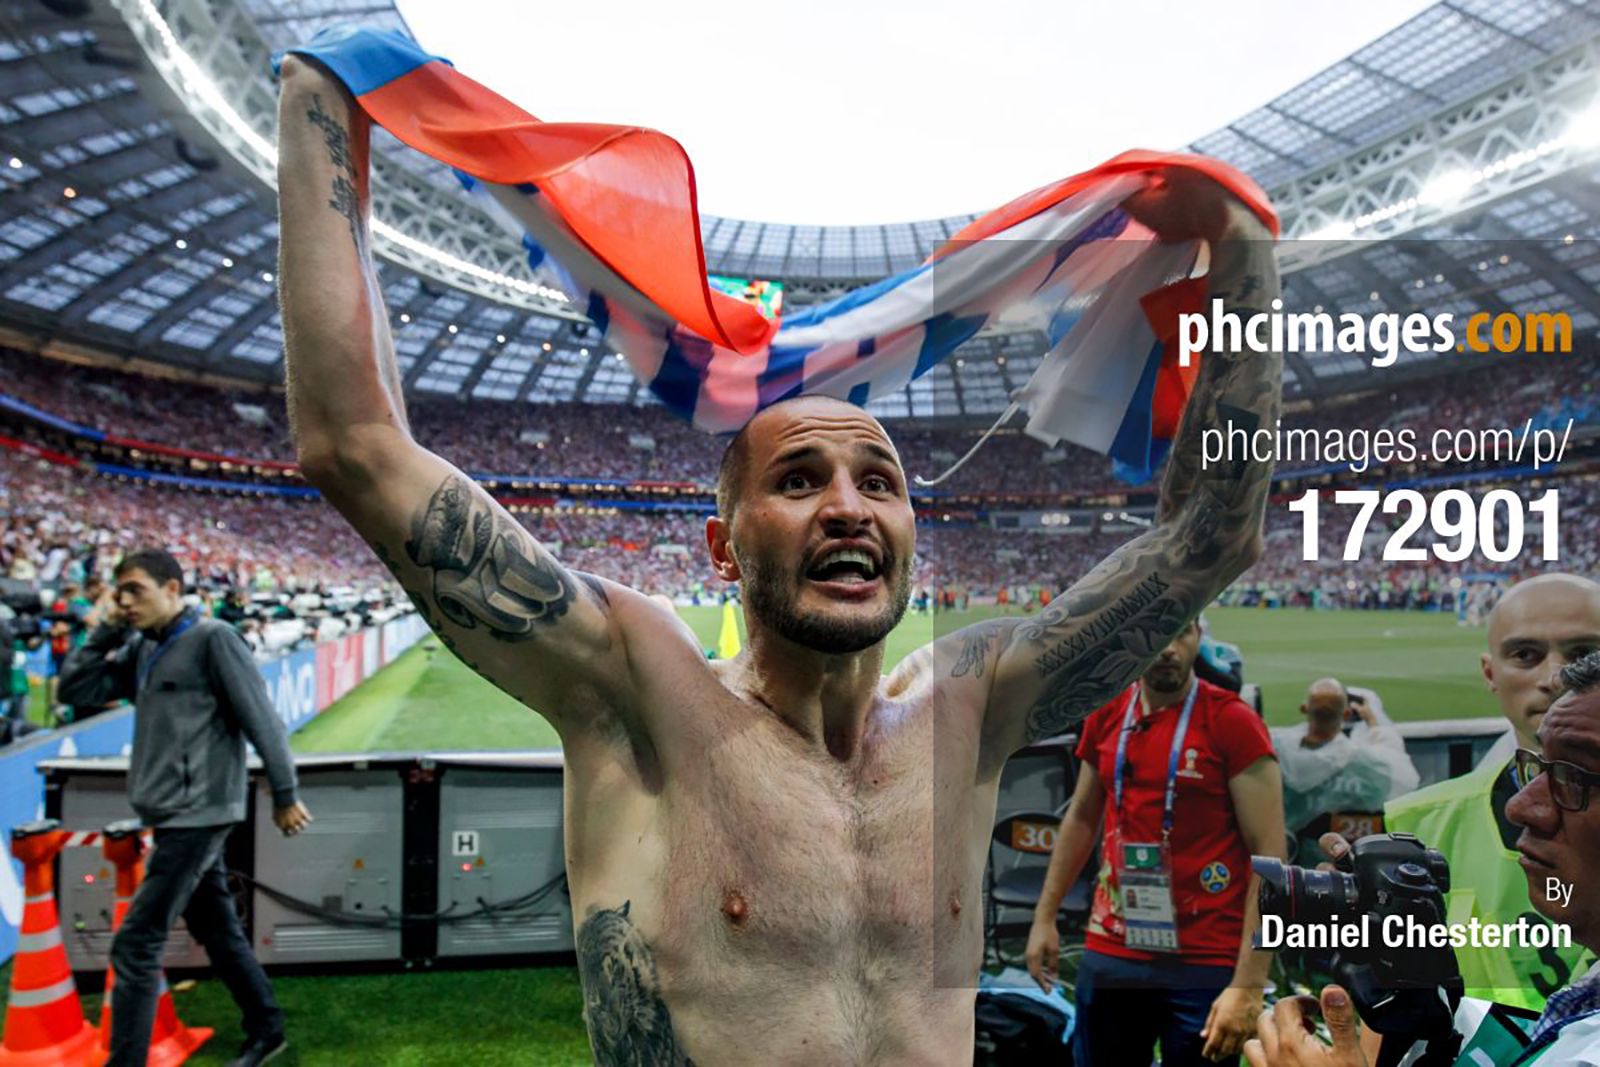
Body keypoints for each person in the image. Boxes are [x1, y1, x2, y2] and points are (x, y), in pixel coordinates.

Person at [276, 51, 1281, 1064]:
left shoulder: (967, 709)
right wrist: (324, 95)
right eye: (799, 481)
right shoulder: (640, 689)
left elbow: (1210, 537)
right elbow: (355, 446)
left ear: (909, 534)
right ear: (724, 547)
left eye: (879, 482)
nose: (847, 507)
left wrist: (1243, 250)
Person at [1244, 649, 1600, 1066]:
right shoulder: (1584, 997)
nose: (1519, 806)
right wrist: (1421, 999)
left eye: (1574, 777)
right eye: (1536, 768)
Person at [58, 548, 313, 1067]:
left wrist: (285, 794)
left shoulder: (214, 639)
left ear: (172, 588)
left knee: (136, 944)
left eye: (136, 591)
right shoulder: (142, 647)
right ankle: (267, 1029)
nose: (125, 602)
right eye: (119, 593)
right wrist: (106, 630)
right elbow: (75, 688)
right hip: (172, 811)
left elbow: (262, 719)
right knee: (216, 928)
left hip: (200, 812)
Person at [1023, 618, 1286, 1066]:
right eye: (1155, 633)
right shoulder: (1107, 713)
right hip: (1113, 945)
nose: (1167, 647)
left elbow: (1270, 857)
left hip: (1205, 954)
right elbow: (1082, 817)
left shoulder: (1232, 721)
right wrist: (1044, 916)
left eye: (1181, 632)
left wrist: (1249, 982)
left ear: (1198, 637)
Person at [1384, 574, 1600, 1009]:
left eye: (1584, 655)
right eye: (1525, 655)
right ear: (1490, 673)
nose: (1555, 677)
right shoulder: (1416, 828)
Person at [1276, 679, 1418, 863]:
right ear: (1347, 713)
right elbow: (1396, 765)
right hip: (1360, 868)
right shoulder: (1368, 766)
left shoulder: (1281, 757)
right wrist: (1373, 722)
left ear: (1304, 709)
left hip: (1299, 868)